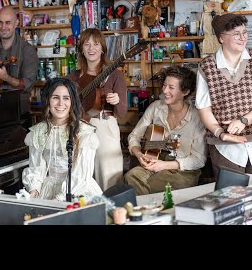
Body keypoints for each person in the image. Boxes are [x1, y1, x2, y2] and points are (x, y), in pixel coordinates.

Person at [124, 66, 207, 195]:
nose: (165, 90)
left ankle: (146, 211)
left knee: (157, 185)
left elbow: (199, 159)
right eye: (164, 85)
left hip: (182, 170)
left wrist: (164, 165)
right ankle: (147, 211)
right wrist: (139, 155)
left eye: (171, 87)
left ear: (185, 92)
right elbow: (134, 136)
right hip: (154, 159)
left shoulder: (197, 117)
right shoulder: (155, 107)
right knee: (131, 176)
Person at [22, 77, 102, 201]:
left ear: (72, 102)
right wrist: (34, 190)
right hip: (48, 188)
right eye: (55, 97)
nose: (60, 103)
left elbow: (81, 176)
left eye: (66, 98)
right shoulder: (38, 132)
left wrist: (59, 199)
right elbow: (37, 168)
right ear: (48, 100)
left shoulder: (84, 132)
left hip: (77, 190)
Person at [66, 28, 127, 191]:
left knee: (109, 178)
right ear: (81, 49)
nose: (91, 48)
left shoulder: (115, 75)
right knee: (80, 178)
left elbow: (122, 113)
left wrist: (117, 101)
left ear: (102, 49)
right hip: (78, 128)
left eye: (96, 44)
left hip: (104, 126)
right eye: (86, 44)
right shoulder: (72, 77)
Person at [196, 13, 252, 177]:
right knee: (229, 197)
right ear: (222, 38)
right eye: (236, 34)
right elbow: (204, 109)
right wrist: (220, 133)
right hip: (224, 148)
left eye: (245, 32)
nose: (243, 38)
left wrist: (244, 120)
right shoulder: (207, 67)